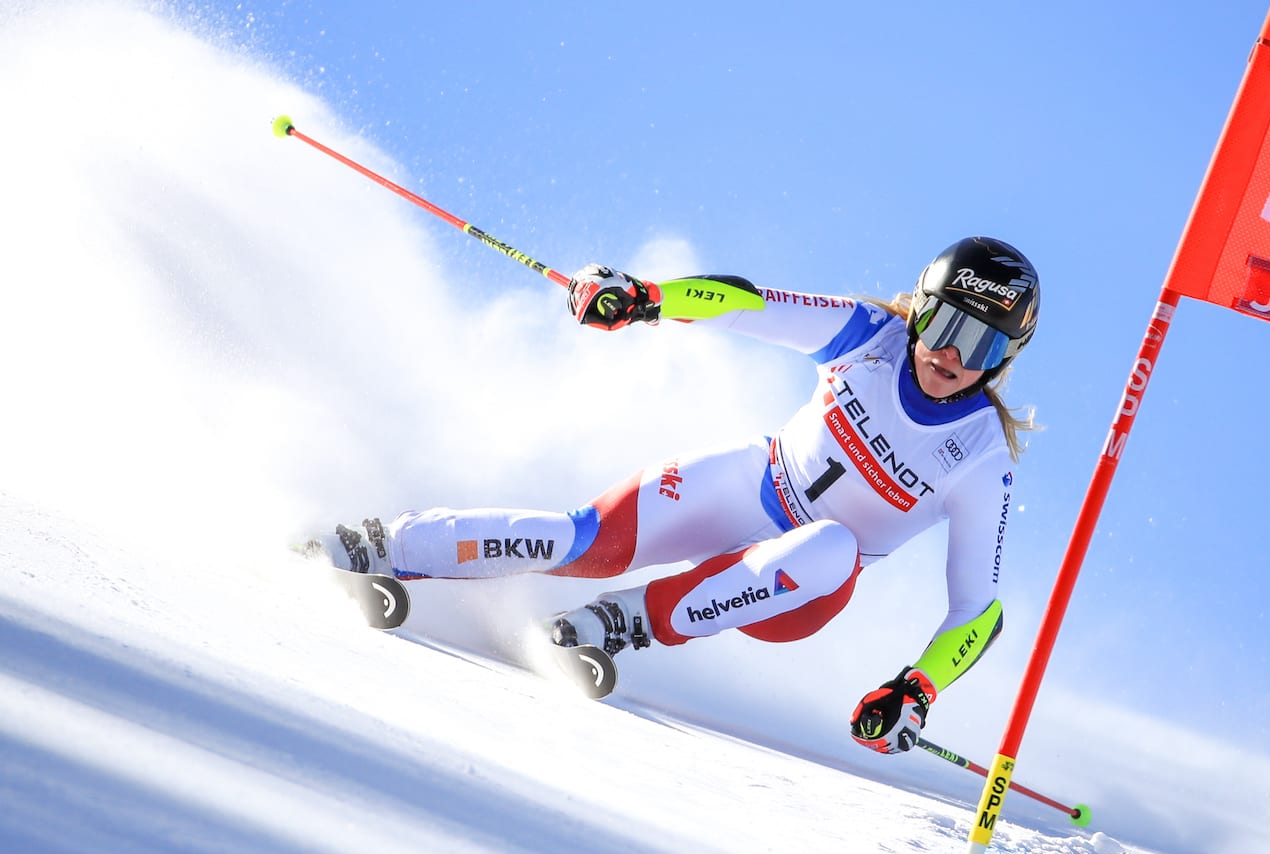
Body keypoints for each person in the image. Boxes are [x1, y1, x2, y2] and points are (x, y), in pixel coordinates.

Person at [313, 236, 1041, 756]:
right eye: (944, 325)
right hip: (752, 485)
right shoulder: (866, 335)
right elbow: (746, 304)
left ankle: (621, 622)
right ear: (918, 309)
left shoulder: (980, 457)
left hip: (799, 590)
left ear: (1004, 360)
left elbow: (978, 611)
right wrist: (645, 299)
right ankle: (385, 546)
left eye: (981, 346)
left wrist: (915, 691)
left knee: (833, 545)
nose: (952, 355)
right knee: (583, 541)